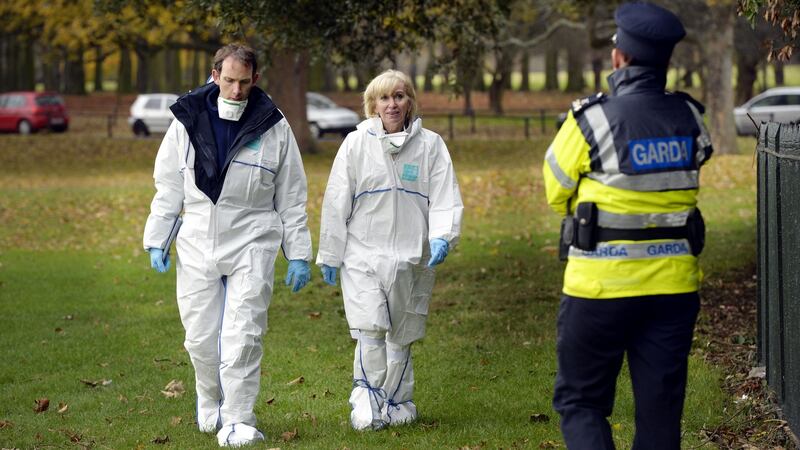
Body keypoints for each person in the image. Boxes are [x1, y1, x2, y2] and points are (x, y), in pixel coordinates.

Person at [543, 3, 714, 449]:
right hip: (673, 291)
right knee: (660, 411)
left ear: (619, 58)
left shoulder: (590, 121)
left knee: (581, 401)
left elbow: (556, 191)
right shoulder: (691, 119)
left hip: (598, 289)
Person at [142, 43, 313, 447]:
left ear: (256, 79)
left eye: (244, 81)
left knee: (243, 334)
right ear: (215, 75)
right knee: (200, 337)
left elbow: (291, 195)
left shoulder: (273, 125)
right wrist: (157, 238)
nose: (236, 90)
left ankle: (238, 418)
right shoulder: (187, 120)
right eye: (229, 80)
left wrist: (300, 253)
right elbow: (169, 185)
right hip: (198, 238)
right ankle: (209, 398)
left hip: (253, 238)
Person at [316, 69, 463, 430]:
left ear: (410, 100)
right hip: (363, 253)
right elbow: (337, 201)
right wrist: (330, 254)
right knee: (370, 327)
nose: (392, 104)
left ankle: (398, 400)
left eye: (399, 96)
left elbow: (445, 196)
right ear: (372, 104)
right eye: (384, 98)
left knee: (401, 332)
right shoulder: (355, 144)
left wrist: (443, 235)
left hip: (412, 255)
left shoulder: (430, 145)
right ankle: (366, 400)